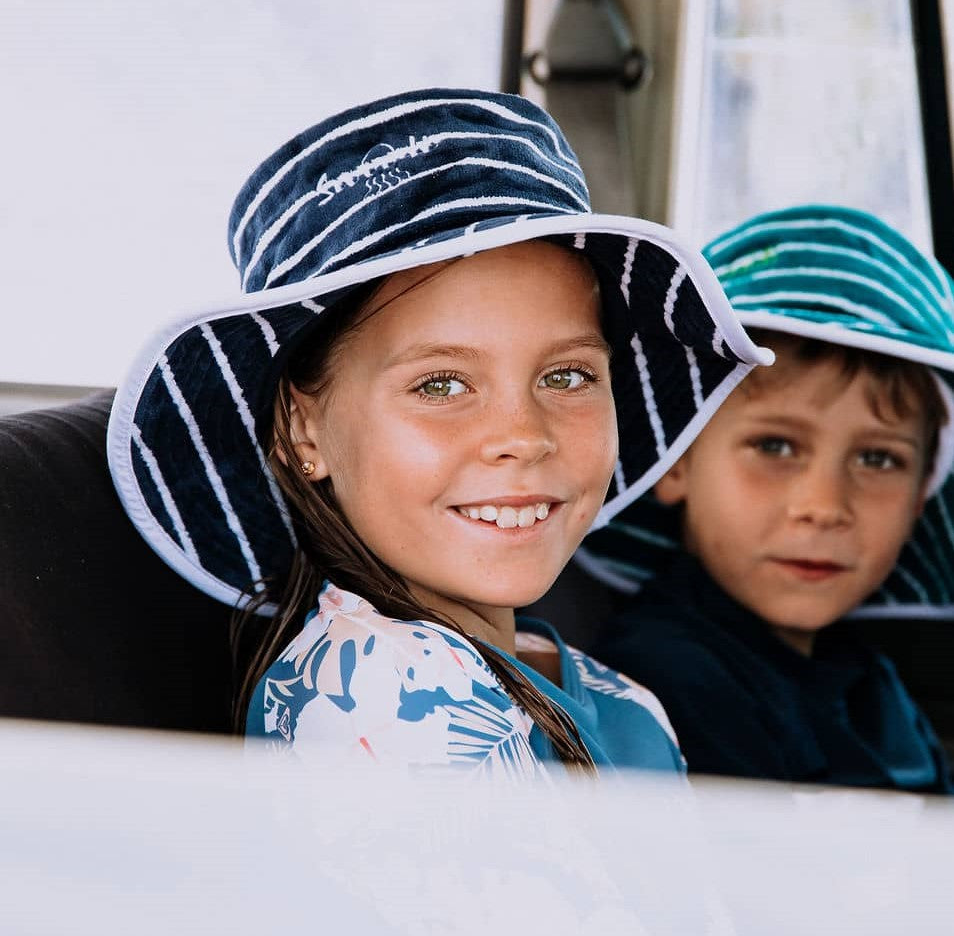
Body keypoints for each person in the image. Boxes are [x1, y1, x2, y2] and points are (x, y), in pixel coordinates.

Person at [107, 88, 769, 777]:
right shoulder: (383, 695)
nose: (522, 436)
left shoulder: (623, 701)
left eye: (567, 376)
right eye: (441, 385)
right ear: (303, 429)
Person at [584, 204, 954, 792]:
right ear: (675, 461)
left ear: (919, 497)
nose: (824, 506)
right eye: (775, 446)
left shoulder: (871, 684)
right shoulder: (666, 678)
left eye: (879, 459)